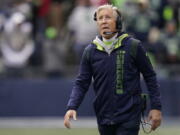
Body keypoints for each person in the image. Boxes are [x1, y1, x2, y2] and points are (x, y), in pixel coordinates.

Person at [64, 4, 162, 135]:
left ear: (118, 22)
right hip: (104, 117)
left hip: (129, 116)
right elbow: (82, 82)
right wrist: (72, 106)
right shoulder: (90, 51)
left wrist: (156, 107)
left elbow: (150, 77)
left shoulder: (133, 46)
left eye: (108, 17)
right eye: (100, 18)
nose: (104, 21)